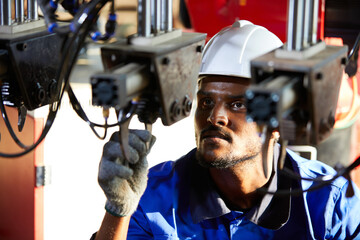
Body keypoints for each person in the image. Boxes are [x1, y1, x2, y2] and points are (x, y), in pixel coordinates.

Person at [92, 20, 360, 240]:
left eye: (238, 104)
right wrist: (118, 210)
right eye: (207, 101)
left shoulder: (328, 202)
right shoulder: (153, 196)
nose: (215, 116)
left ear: (280, 122)